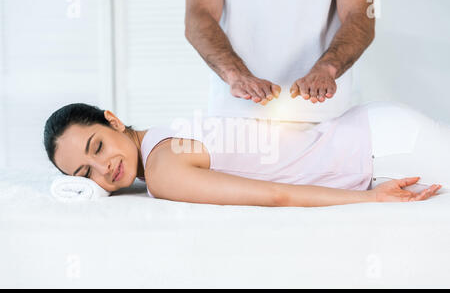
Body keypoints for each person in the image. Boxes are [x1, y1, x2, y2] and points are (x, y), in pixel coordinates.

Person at [43, 101, 448, 207]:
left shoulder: (163, 168)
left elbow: (276, 195)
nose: (104, 168)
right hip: (374, 128)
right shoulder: (163, 136)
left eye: (97, 147)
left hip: (383, 149)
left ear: (112, 120)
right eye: (84, 174)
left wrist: (371, 199)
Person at [185, 0, 375, 123]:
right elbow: (199, 14)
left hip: (325, 115)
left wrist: (328, 68)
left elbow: (360, 15)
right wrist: (235, 74)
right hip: (234, 112)